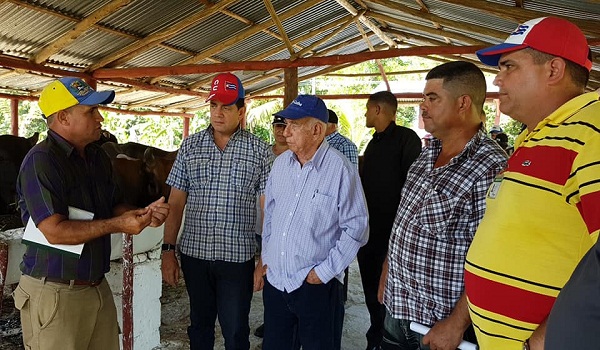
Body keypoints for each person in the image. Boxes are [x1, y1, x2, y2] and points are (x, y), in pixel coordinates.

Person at [464, 17, 599, 350]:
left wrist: (544, 340)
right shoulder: (536, 134)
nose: (497, 78)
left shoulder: (592, 125)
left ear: (553, 70)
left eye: (509, 66)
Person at [12, 77, 170, 350]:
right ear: (63, 117)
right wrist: (118, 224)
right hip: (55, 292)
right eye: (90, 111)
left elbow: (113, 205)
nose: (100, 118)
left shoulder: (96, 157)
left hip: (96, 286)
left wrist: (141, 213)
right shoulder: (42, 160)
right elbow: (54, 230)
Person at [380, 61, 508, 350]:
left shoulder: (492, 167)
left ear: (463, 103)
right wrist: (388, 268)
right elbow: (405, 222)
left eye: (432, 98)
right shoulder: (426, 155)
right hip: (398, 306)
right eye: (424, 98)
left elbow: (493, 261)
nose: (423, 106)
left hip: (441, 325)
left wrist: (457, 323)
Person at [161, 72, 271, 350]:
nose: (218, 113)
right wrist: (167, 251)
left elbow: (268, 210)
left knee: (235, 332)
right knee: (199, 327)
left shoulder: (259, 151)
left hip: (237, 259)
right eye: (213, 106)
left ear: (241, 110)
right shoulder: (190, 146)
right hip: (195, 255)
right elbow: (175, 203)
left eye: (226, 106)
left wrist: (264, 259)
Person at [260, 94, 369, 349]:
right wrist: (267, 259)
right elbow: (271, 216)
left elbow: (357, 227)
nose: (285, 132)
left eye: (293, 125)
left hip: (316, 287)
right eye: (285, 124)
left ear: (317, 130)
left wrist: (324, 272)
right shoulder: (280, 165)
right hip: (277, 282)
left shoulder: (340, 168)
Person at [359, 90, 422, 350]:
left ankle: (388, 339)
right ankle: (375, 335)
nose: (364, 113)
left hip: (394, 236)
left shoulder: (407, 140)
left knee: (390, 295)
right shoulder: (373, 143)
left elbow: (414, 189)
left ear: (378, 110)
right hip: (369, 233)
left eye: (367, 108)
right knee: (371, 291)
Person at [253, 115, 288, 339]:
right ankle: (270, 321)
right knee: (263, 274)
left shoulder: (296, 155)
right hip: (259, 224)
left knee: (280, 274)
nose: (280, 130)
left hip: (283, 227)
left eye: (284, 126)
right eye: (277, 126)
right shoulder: (262, 153)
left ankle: (283, 323)